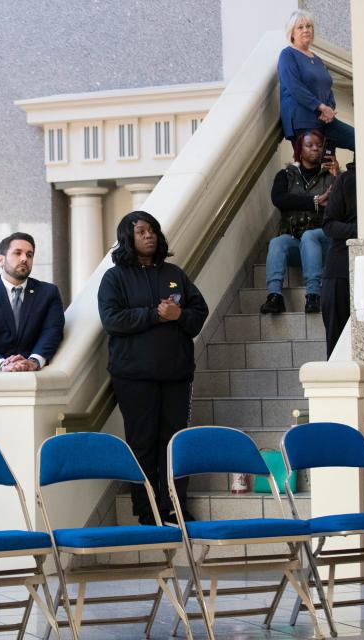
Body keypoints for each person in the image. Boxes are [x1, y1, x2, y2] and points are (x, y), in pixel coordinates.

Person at [0, 232, 64, 570]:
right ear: (1, 258)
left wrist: (33, 361)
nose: (25, 259)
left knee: (20, 471)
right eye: (18, 253)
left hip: (25, 400)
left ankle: (17, 545)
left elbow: (53, 332)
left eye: (30, 254)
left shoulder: (47, 293)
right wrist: (3, 364)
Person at [98, 211, 209, 525]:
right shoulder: (115, 277)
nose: (149, 236)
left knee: (174, 443)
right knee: (142, 442)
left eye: (153, 230)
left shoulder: (174, 273)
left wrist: (178, 316)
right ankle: (147, 510)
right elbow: (112, 320)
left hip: (176, 374)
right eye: (141, 231)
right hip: (134, 376)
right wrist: (155, 315)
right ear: (128, 239)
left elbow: (199, 312)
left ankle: (174, 506)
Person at [260, 129, 338, 315]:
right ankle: (274, 296)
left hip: (323, 241)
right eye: (310, 145)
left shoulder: (330, 176)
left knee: (310, 236)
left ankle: (313, 294)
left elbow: (343, 206)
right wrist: (315, 202)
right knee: (277, 242)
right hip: (296, 240)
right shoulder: (286, 175)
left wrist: (337, 176)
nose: (315, 149)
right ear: (299, 150)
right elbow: (280, 199)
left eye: (319, 146)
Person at [278, 9, 355, 151]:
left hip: (325, 120)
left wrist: (330, 108)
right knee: (314, 168)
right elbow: (295, 87)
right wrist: (321, 107)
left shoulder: (317, 59)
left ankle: (351, 174)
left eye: (309, 26)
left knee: (358, 140)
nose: (306, 30)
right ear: (292, 33)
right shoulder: (288, 55)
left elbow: (327, 86)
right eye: (300, 27)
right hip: (303, 121)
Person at [322, 162, 358, 357]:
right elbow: (328, 225)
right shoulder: (347, 180)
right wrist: (360, 231)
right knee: (337, 350)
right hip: (339, 270)